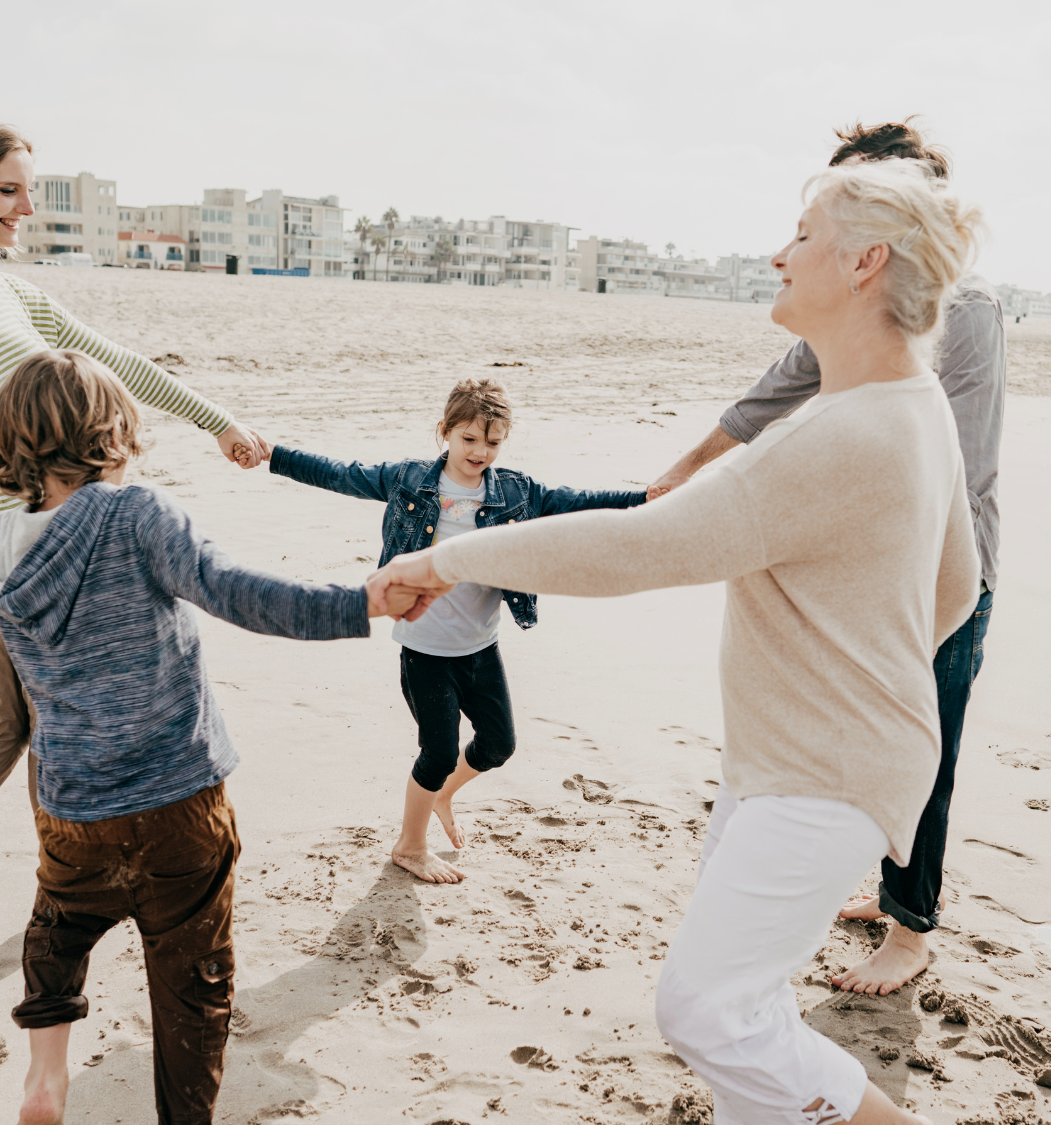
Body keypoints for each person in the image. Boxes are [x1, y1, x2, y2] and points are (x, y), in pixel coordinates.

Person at [375, 158, 982, 1125]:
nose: (778, 254)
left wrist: (446, 561)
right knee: (751, 999)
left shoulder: (844, 431)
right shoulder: (914, 405)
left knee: (705, 1011)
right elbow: (956, 591)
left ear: (866, 261)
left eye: (802, 235)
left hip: (826, 774)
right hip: (806, 760)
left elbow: (641, 545)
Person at [0, 350, 413, 1125]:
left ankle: (46, 1074)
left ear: (11, 442)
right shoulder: (138, 516)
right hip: (180, 803)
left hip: (73, 809)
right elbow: (240, 593)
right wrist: (359, 603)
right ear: (114, 436)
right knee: (194, 988)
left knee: (58, 927)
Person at [0, 115, 271, 952]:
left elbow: (115, 361)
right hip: (8, 552)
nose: (25, 210)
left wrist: (217, 421)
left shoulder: (6, 290)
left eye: (30, 192)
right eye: (7, 191)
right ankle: (16, 894)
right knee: (14, 721)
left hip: (46, 543)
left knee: (22, 719)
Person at [648, 119, 1003, 996]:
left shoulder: (957, 303)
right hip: (877, 561)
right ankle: (880, 882)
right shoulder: (860, 302)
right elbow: (782, 383)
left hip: (943, 565)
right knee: (854, 735)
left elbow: (939, 457)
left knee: (926, 741)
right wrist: (688, 468)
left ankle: (912, 926)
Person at [262, 379, 645, 883]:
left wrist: (644, 497)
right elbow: (340, 474)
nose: (480, 452)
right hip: (424, 648)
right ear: (445, 432)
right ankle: (410, 844)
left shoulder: (515, 492)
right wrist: (273, 455)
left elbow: (576, 501)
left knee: (497, 746)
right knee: (439, 751)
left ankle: (440, 794)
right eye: (469, 439)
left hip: (481, 647)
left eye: (492, 442)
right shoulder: (408, 480)